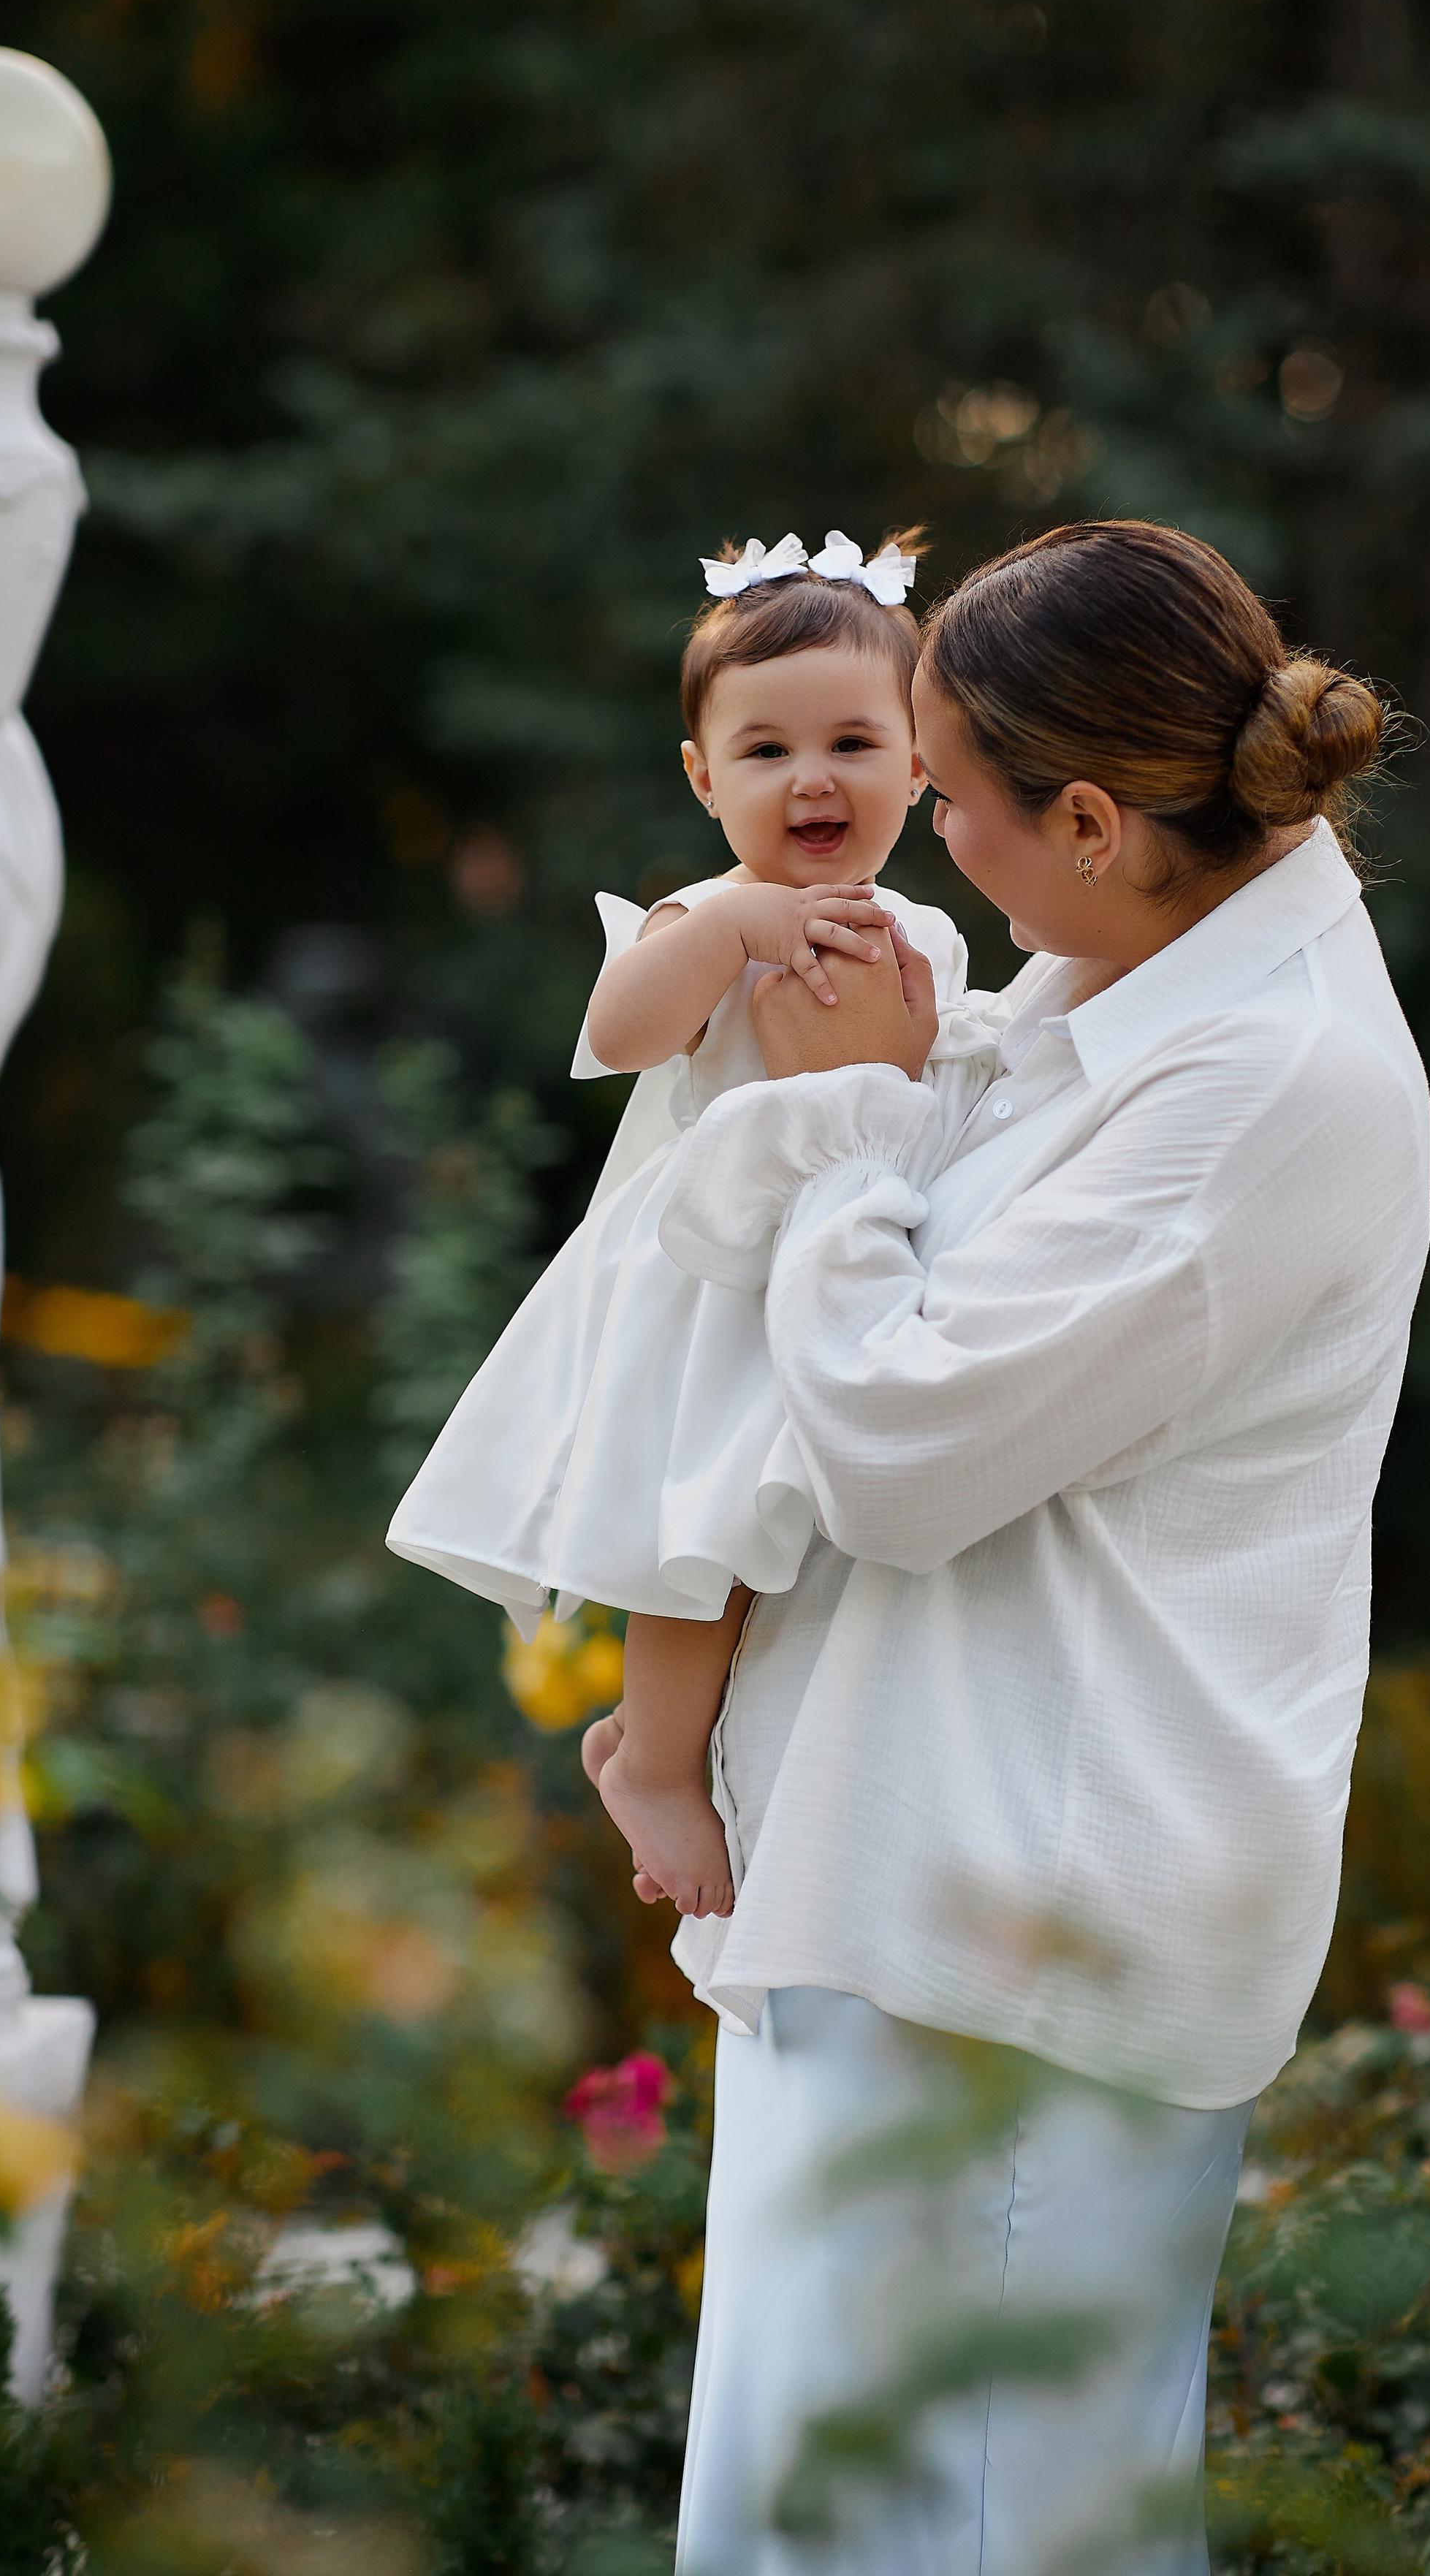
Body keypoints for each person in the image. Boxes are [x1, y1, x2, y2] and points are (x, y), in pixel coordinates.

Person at [654, 520, 1430, 2573]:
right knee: (816, 2510)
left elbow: (907, 1444)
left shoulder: (1271, 1082)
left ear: (1091, 814)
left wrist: (835, 1130)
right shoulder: (1139, 956)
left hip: (1022, 1921)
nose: (919, 843)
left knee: (961, 2526)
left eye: (956, 800)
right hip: (907, 1872)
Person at [387, 526, 992, 1920]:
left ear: (918, 762)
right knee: (703, 1528)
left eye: (853, 739)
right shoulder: (705, 910)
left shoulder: (931, 935)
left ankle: (697, 1739)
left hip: (850, 1250)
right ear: (702, 776)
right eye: (767, 750)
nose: (813, 777)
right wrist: (732, 934)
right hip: (703, 1276)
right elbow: (616, 1028)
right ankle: (653, 1759)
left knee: (782, 1529)